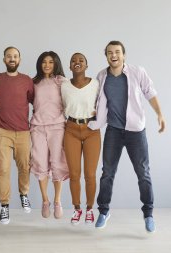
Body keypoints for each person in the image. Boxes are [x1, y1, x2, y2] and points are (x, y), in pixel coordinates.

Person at [90, 41, 166, 233]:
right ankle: (104, 211)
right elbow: (96, 102)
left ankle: (148, 214)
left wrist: (159, 114)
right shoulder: (102, 76)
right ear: (106, 55)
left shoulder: (137, 71)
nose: (113, 55)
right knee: (107, 173)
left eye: (117, 52)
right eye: (109, 52)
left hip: (135, 131)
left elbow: (150, 92)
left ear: (124, 55)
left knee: (143, 173)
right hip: (113, 131)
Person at [0, 46, 34, 225]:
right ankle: (4, 205)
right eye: (9, 56)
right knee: (3, 169)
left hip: (23, 131)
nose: (12, 58)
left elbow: (34, 100)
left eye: (15, 56)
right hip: (3, 131)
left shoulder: (27, 80)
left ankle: (24, 193)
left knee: (25, 167)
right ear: (4, 59)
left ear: (19, 59)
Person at [61, 53, 101, 225]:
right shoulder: (63, 86)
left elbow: (104, 104)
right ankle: (77, 209)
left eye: (81, 61)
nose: (77, 63)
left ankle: (90, 209)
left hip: (91, 130)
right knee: (74, 174)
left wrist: (100, 117)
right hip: (70, 130)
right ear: (69, 67)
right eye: (73, 61)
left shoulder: (96, 84)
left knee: (90, 174)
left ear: (86, 65)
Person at [30, 51, 69, 219]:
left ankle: (57, 200)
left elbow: (71, 102)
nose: (47, 65)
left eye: (51, 62)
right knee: (39, 162)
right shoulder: (33, 83)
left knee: (58, 163)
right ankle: (45, 200)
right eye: (44, 62)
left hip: (58, 126)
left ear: (56, 64)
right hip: (37, 126)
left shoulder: (62, 82)